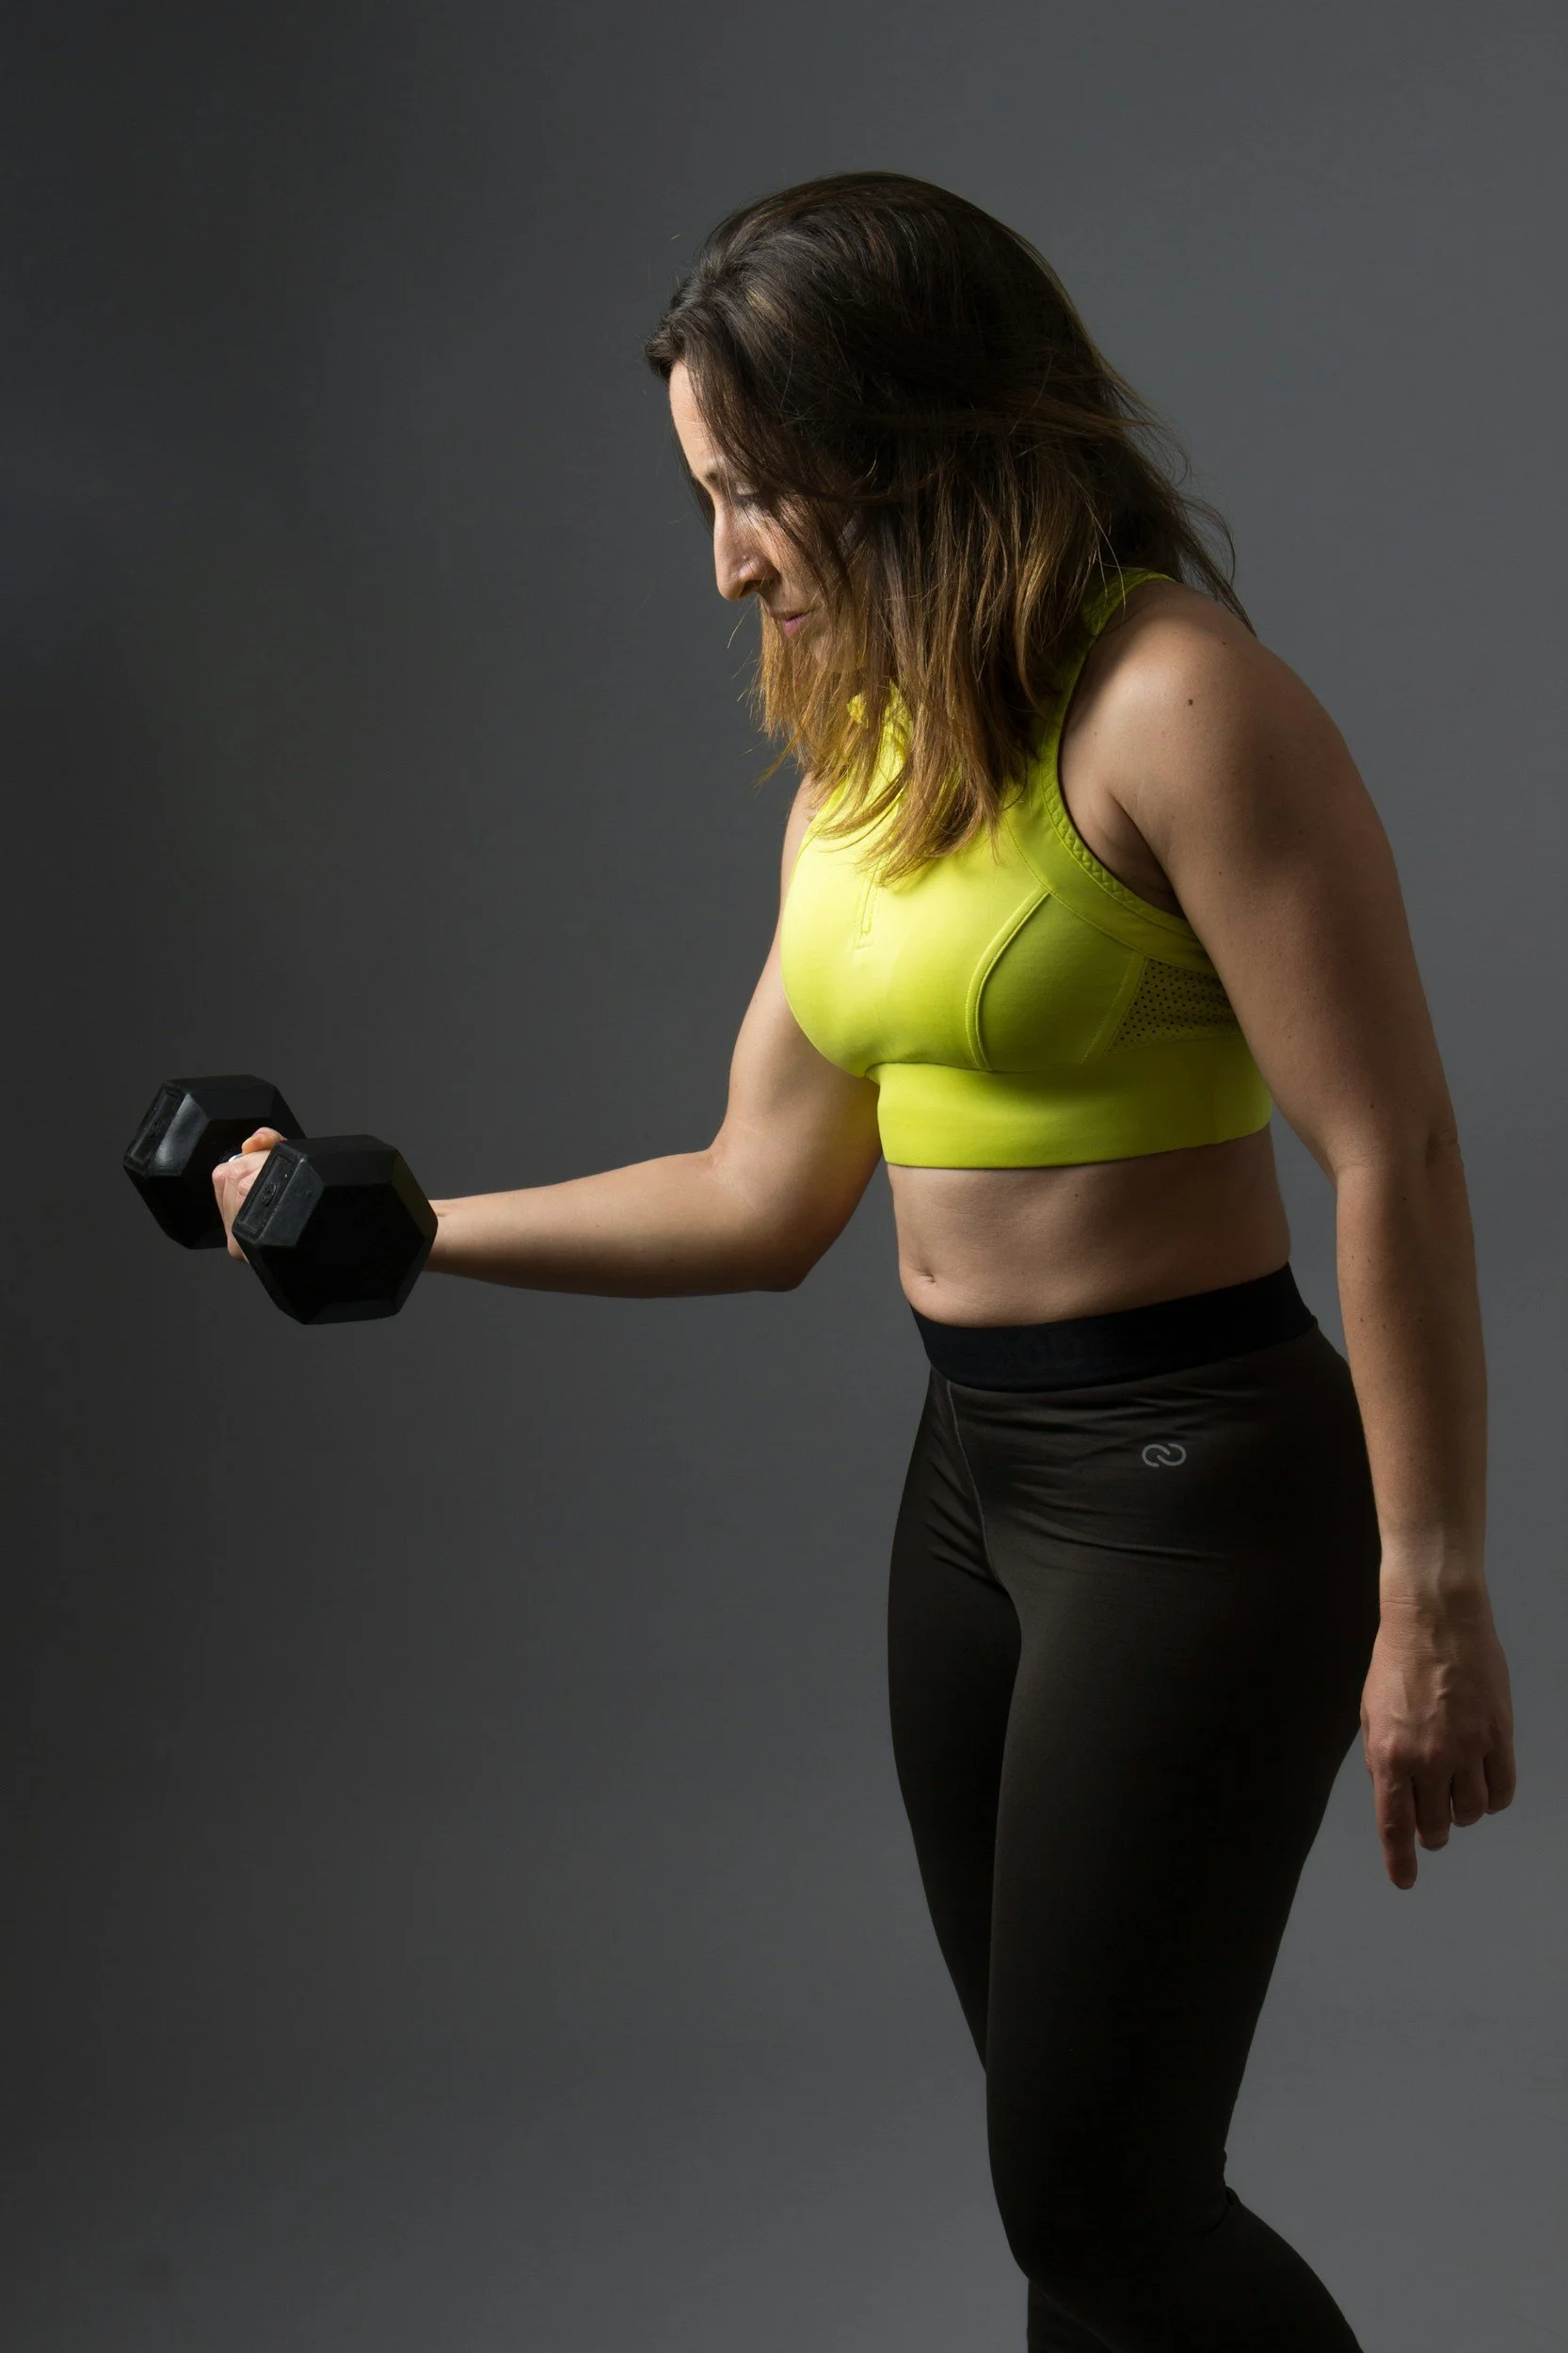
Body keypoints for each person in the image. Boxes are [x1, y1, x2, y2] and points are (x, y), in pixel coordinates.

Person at [210, 172, 1516, 2350]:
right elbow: (761, 1190)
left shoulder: (1177, 708)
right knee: (1072, 2192)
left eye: (757, 492)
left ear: (911, 444)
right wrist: (408, 1227)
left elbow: (1393, 1151)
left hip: (1194, 1492)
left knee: (1098, 2189)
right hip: (971, 1493)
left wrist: (1432, 1583)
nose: (728, 557)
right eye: (707, 498)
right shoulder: (862, 743)